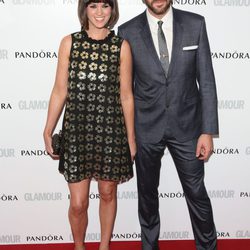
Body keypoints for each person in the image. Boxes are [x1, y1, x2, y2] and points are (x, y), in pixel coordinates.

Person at [118, 0, 218, 249]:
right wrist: (127, 136)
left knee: (197, 193)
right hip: (146, 128)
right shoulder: (127, 31)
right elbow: (125, 91)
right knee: (147, 197)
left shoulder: (195, 24)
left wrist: (208, 131)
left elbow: (206, 81)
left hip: (188, 127)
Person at [43, 1, 136, 250]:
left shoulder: (121, 47)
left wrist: (131, 139)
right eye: (93, 5)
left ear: (112, 10)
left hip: (111, 132)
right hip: (77, 132)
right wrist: (47, 130)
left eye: (105, 6)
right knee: (78, 203)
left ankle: (104, 246)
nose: (99, 12)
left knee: (107, 193)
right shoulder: (69, 43)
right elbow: (60, 91)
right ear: (84, 9)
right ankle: (79, 246)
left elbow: (126, 96)